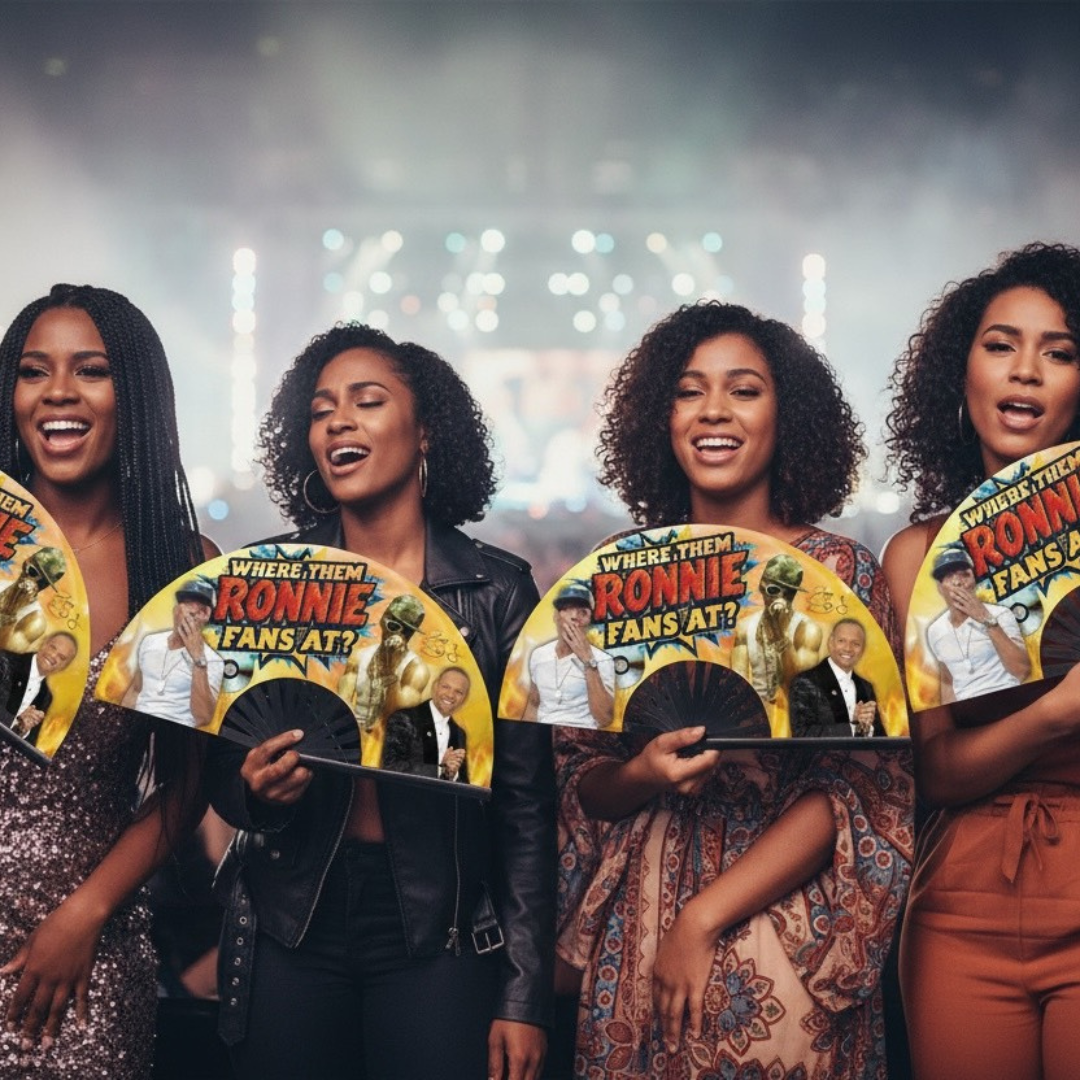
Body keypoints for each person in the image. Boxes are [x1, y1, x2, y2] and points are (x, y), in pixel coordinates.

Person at [554, 300, 912, 1079]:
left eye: (743, 390)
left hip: (789, 929)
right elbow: (579, 777)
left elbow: (862, 786)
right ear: (661, 416)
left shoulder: (839, 577)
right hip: (634, 938)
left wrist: (703, 920)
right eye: (689, 391)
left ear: (789, 417)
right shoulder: (620, 572)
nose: (714, 410)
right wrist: (641, 773)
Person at [205, 324, 554, 1080]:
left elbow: (528, 811)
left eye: (367, 401)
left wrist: (524, 996)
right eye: (322, 408)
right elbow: (219, 768)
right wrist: (253, 788)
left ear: (426, 430)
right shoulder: (272, 584)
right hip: (290, 921)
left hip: (441, 932)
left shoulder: (497, 592)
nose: (339, 420)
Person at [0, 284, 211, 1077]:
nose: (57, 391)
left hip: (83, 949)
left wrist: (84, 914)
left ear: (135, 395)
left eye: (90, 369)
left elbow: (187, 785)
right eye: (32, 370)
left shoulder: (179, 565)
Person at [884, 241, 1080, 1080]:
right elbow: (932, 773)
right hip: (959, 910)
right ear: (960, 376)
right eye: (1002, 345)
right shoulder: (917, 555)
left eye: (1060, 352)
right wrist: (1056, 713)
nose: (1027, 372)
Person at [923, 547, 1029, 703]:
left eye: (964, 575)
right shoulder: (935, 631)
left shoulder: (1000, 615)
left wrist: (985, 618)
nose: (958, 582)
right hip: (968, 712)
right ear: (940, 588)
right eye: (949, 576)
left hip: (1006, 699)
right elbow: (948, 680)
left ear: (974, 581)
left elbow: (1022, 670)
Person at [124, 578, 225, 729]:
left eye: (195, 610)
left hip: (175, 733)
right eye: (184, 603)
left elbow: (203, 717)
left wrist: (198, 658)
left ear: (206, 615)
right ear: (175, 610)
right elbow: (135, 689)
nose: (185, 612)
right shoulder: (150, 642)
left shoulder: (213, 661)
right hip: (137, 727)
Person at [521, 582, 615, 729]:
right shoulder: (539, 655)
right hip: (543, 737)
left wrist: (588, 661)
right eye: (566, 609)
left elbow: (605, 718)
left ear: (589, 621)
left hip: (580, 739)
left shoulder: (603, 660)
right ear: (556, 617)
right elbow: (533, 704)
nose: (574, 616)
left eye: (582, 612)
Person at [731, 552, 823, 702]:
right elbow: (738, 684)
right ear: (762, 586)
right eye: (774, 590)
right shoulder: (745, 628)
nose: (780, 599)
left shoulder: (808, 630)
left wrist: (780, 635)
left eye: (789, 594)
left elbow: (800, 691)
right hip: (758, 714)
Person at [339, 592, 431, 731]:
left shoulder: (416, 669)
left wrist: (391, 669)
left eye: (407, 631)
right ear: (383, 620)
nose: (399, 636)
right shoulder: (360, 656)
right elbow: (342, 703)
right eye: (394, 626)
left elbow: (402, 716)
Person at [790, 617, 884, 738]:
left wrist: (865, 727)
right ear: (830, 643)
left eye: (856, 644)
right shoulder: (804, 682)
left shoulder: (866, 687)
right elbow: (802, 734)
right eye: (841, 641)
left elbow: (880, 737)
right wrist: (853, 728)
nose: (848, 648)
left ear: (862, 649)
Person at [382, 665, 471, 783]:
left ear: (464, 699)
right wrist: (440, 770)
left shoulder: (459, 733)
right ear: (435, 687)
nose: (450, 695)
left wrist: (452, 774)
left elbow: (463, 784)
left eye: (458, 692)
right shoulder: (404, 719)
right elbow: (391, 767)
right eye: (446, 687)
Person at [1, 630, 78, 745]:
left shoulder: (47, 696)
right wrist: (15, 720)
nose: (53, 656)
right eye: (53, 647)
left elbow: (27, 744)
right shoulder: (5, 661)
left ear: (64, 667)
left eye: (61, 657)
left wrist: (21, 729)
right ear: (44, 643)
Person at [0, 546, 67, 653]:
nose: (33, 582)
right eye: (33, 572)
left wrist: (10, 612)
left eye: (43, 582)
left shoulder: (36, 621)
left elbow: (6, 656)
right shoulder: (1, 584)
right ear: (26, 563)